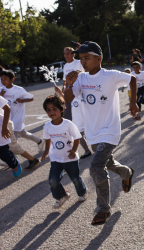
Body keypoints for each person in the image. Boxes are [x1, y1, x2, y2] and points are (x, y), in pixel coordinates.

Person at [64, 41, 138, 225]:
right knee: (109, 163)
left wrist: (133, 102)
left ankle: (103, 209)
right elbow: (68, 98)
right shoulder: (81, 79)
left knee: (96, 167)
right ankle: (126, 173)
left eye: (87, 58)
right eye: (81, 59)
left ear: (99, 59)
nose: (83, 62)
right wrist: (69, 83)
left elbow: (133, 80)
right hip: (93, 132)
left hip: (110, 131)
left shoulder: (110, 76)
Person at [41, 95, 88, 209]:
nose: (51, 112)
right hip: (56, 159)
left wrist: (74, 150)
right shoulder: (47, 126)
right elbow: (47, 139)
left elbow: (77, 137)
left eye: (54, 109)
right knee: (53, 180)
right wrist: (46, 150)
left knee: (75, 179)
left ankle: (82, 192)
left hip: (70, 158)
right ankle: (62, 196)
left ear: (61, 109)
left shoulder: (68, 124)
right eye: (48, 110)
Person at [0, 70, 45, 155]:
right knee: (23, 134)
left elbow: (31, 98)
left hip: (17, 117)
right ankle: (40, 141)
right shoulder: (1, 90)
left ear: (12, 80)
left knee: (12, 140)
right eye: (1, 79)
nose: (3, 81)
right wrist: (0, 95)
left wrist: (22, 100)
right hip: (7, 118)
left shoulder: (19, 90)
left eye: (5, 79)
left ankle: (11, 158)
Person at [0, 95, 21, 177]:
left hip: (1, 130)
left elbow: (7, 108)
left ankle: (14, 163)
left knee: (4, 154)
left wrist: (5, 127)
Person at [62, 47, 83, 121]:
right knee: (67, 114)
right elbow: (64, 80)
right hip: (69, 92)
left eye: (68, 53)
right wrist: (63, 91)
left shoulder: (79, 62)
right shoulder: (65, 66)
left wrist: (81, 50)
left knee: (79, 115)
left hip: (78, 93)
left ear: (73, 54)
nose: (66, 55)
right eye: (65, 53)